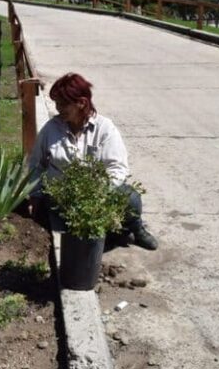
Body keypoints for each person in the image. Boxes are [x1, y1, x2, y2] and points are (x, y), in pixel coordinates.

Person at [27, 73, 158, 250]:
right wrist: (35, 196)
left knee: (131, 197)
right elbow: (36, 164)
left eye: (63, 104)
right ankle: (111, 233)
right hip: (61, 199)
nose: (58, 108)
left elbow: (117, 167)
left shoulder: (105, 129)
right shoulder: (51, 129)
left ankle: (136, 229)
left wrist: (99, 193)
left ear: (81, 103)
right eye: (56, 103)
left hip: (97, 197)